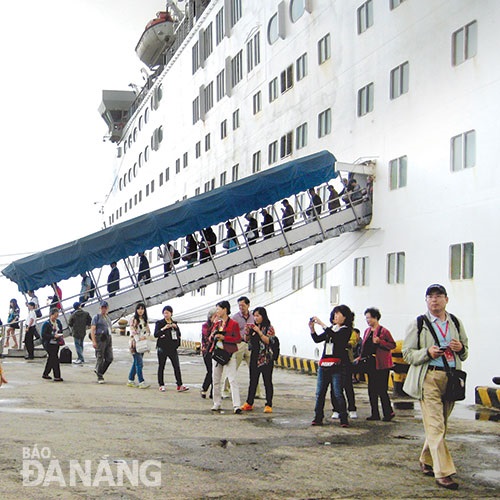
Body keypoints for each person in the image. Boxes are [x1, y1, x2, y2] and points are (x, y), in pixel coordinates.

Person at [402, 284, 468, 491]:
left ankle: (426, 458)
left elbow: (465, 353)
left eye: (438, 296)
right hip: (428, 377)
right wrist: (427, 353)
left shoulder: (455, 322)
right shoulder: (419, 323)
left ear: (446, 300)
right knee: (436, 425)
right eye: (430, 297)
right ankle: (444, 473)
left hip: (451, 377)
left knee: (442, 425)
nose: (434, 300)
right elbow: (407, 354)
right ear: (426, 301)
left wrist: (461, 348)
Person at [309, 305, 352, 427]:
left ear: (345, 317)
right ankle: (318, 417)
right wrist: (312, 329)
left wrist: (322, 324)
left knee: (338, 392)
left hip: (338, 365)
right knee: (320, 392)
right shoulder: (331, 329)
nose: (335, 316)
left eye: (338, 314)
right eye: (334, 314)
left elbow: (337, 338)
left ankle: (344, 418)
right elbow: (317, 339)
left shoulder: (345, 330)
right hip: (325, 364)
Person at [358, 307, 396, 421]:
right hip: (370, 363)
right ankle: (375, 413)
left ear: (375, 318)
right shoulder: (367, 331)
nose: (368, 320)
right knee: (371, 390)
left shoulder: (384, 331)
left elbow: (392, 345)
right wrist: (360, 357)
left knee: (382, 390)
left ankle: (388, 413)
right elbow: (365, 347)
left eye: (369, 318)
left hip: (382, 364)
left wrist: (381, 342)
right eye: (366, 318)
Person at [241, 307, 275, 413]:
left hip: (266, 358)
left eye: (258, 316)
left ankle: (268, 404)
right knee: (253, 381)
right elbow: (246, 340)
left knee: (267, 381)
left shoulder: (269, 328)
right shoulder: (253, 327)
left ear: (263, 316)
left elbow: (269, 341)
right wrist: (247, 332)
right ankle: (249, 402)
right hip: (255, 357)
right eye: (254, 316)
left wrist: (259, 332)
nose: (256, 318)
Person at [209, 300, 242, 413]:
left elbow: (238, 339)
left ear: (225, 310)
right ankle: (216, 402)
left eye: (218, 309)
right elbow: (210, 337)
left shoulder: (234, 324)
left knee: (232, 379)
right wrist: (214, 335)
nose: (217, 311)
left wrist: (225, 338)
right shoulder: (216, 324)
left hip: (229, 353)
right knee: (216, 379)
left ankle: (236, 405)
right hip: (218, 354)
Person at [226, 296, 260, 398]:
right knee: (233, 368)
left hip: (250, 344)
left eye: (243, 305)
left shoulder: (253, 317)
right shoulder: (235, 318)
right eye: (239, 305)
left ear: (248, 305)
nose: (241, 307)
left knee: (254, 368)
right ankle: (226, 390)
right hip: (239, 343)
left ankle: (257, 392)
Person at [154, 305, 188, 392]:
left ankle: (179, 384)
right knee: (161, 366)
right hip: (162, 347)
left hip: (172, 347)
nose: (166, 315)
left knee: (176, 366)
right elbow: (156, 334)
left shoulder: (174, 323)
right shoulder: (160, 323)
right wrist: (164, 328)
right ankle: (161, 384)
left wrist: (176, 328)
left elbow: (178, 334)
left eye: (167, 313)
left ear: (171, 313)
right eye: (164, 313)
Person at [127, 303, 151, 389]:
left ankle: (130, 380)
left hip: (143, 344)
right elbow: (132, 330)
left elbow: (148, 331)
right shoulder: (133, 319)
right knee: (139, 363)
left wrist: (145, 336)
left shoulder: (145, 320)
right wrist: (138, 338)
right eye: (139, 309)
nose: (140, 311)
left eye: (142, 309)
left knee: (136, 362)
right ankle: (141, 381)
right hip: (135, 343)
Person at [90, 301, 114, 384]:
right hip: (100, 338)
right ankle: (99, 375)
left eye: (105, 308)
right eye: (102, 308)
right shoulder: (96, 317)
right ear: (100, 308)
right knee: (100, 357)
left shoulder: (107, 318)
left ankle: (99, 371)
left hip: (108, 338)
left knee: (109, 358)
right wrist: (94, 341)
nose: (104, 309)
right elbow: (92, 329)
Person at [41, 308, 64, 382]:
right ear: (51, 315)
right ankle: (57, 376)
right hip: (49, 343)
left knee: (51, 358)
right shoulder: (46, 324)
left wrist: (59, 335)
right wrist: (53, 336)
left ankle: (46, 373)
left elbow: (61, 329)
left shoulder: (58, 322)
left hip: (56, 343)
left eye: (57, 315)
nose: (56, 317)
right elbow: (43, 335)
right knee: (55, 359)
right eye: (55, 315)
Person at [200, 308, 217, 399]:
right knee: (210, 371)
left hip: (216, 350)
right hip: (207, 351)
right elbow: (207, 334)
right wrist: (215, 325)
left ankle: (213, 392)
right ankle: (204, 388)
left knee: (216, 372)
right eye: (215, 316)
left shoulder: (219, 325)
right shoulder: (205, 326)